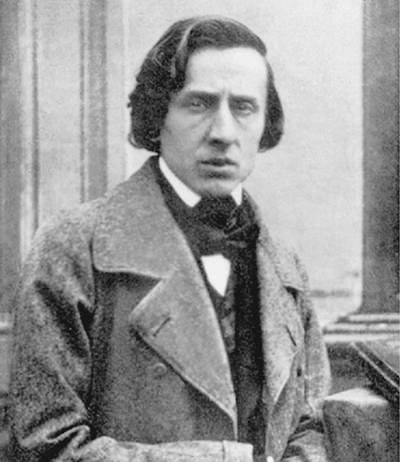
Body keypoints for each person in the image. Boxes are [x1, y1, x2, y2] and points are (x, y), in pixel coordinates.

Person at [7, 15, 330, 462]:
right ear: (158, 114)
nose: (223, 133)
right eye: (198, 104)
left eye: (243, 107)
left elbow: (313, 426)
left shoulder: (285, 267)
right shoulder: (72, 248)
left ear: (264, 124)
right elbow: (45, 444)